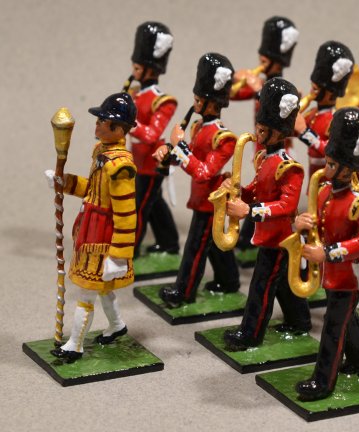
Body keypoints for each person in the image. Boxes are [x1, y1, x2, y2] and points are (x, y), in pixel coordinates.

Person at [45, 93, 138, 362]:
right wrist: (65, 182)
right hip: (91, 228)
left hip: (104, 236)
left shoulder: (121, 167)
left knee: (87, 291)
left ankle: (74, 344)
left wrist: (119, 256)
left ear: (119, 129)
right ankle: (118, 325)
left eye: (103, 121)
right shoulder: (101, 153)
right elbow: (93, 190)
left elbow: (125, 212)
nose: (96, 125)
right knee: (103, 288)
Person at [221, 78, 311, 351]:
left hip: (280, 237)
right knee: (282, 281)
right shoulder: (264, 159)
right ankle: (300, 320)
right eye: (258, 129)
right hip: (270, 235)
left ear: (277, 132)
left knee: (261, 287)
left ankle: (251, 333)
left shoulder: (290, 167)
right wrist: (237, 190)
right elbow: (257, 190)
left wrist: (249, 211)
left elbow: (285, 205)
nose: (257, 135)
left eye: (263, 131)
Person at [294, 107, 359, 401]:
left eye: (331, 164)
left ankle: (323, 381)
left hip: (349, 276)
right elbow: (321, 223)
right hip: (331, 272)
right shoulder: (324, 192)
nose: (325, 169)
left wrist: (327, 253)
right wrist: (302, 224)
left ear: (347, 167)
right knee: (346, 321)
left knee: (332, 327)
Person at [154, 53, 240, 307]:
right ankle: (229, 280)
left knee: (195, 248)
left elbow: (203, 171)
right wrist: (168, 154)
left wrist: (179, 147)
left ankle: (184, 291)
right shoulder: (199, 128)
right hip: (201, 198)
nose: (195, 104)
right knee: (213, 244)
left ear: (213, 104)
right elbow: (187, 158)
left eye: (199, 100)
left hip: (211, 202)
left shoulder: (223, 138)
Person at [230, 16, 299, 265]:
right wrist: (232, 79)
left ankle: (250, 234)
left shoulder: (282, 89)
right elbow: (229, 95)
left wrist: (258, 88)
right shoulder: (259, 81)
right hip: (261, 147)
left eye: (265, 58)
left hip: (276, 148)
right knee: (261, 189)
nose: (260, 62)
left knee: (268, 193)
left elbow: (286, 113)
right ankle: (248, 235)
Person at [128, 21, 179, 257]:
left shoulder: (163, 101)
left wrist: (127, 121)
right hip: (138, 160)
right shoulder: (136, 94)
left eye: (138, 67)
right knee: (155, 203)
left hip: (151, 162)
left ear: (151, 69)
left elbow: (150, 135)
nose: (134, 70)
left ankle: (132, 249)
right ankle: (169, 242)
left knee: (140, 206)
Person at [296, 41, 355, 178]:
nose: (311, 91)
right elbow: (294, 128)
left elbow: (333, 150)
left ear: (330, 93)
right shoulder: (312, 114)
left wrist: (305, 133)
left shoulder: (335, 119)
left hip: (328, 174)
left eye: (316, 89)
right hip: (313, 170)